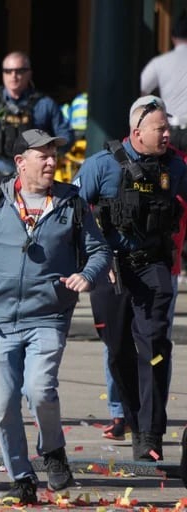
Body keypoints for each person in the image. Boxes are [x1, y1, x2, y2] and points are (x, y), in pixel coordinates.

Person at [0, 129, 110, 504]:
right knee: (2, 404)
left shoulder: (72, 203)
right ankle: (21, 476)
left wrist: (87, 275)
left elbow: (100, 251)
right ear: (21, 163)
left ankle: (52, 451)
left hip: (49, 315)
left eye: (54, 155)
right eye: (43, 156)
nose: (52, 162)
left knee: (40, 390)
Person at [74, 95, 187, 462]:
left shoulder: (177, 168)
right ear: (137, 132)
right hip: (110, 270)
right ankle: (134, 417)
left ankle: (149, 433)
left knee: (154, 347)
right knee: (118, 349)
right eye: (161, 128)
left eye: (168, 128)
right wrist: (92, 257)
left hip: (153, 268)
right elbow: (73, 212)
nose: (167, 134)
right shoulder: (101, 166)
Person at [0, 51, 73, 192]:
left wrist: (47, 155)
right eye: (8, 71)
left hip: (32, 182)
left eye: (19, 71)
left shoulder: (45, 105)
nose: (13, 76)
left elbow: (66, 136)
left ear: (29, 73)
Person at [140, 11, 187, 152]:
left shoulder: (160, 62)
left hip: (168, 131)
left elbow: (141, 91)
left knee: (168, 172)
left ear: (173, 37)